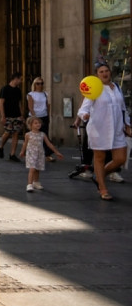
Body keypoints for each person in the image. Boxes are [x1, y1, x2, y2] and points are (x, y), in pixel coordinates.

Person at [77, 62, 130, 201]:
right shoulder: (95, 89)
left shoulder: (117, 87)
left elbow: (123, 109)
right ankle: (102, 188)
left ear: (110, 72)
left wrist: (127, 124)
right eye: (101, 72)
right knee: (99, 158)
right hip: (99, 129)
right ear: (97, 75)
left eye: (106, 70)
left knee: (120, 159)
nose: (104, 73)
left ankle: (99, 176)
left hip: (117, 128)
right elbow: (83, 109)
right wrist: (84, 115)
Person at [22, 116, 64, 193]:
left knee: (37, 168)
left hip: (40, 154)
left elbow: (49, 144)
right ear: (30, 125)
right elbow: (25, 144)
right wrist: (22, 152)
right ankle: (29, 184)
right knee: (32, 168)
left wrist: (56, 152)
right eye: (35, 123)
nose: (38, 124)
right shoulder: (28, 135)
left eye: (39, 123)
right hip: (31, 154)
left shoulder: (42, 134)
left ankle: (36, 182)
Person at [0, 72, 25, 162]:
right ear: (15, 79)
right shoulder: (4, 89)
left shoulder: (18, 90)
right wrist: (3, 116)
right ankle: (1, 146)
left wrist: (21, 115)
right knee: (7, 133)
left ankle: (12, 154)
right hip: (8, 115)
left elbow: (19, 103)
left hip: (17, 115)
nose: (21, 81)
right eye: (20, 79)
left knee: (16, 133)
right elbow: (1, 103)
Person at [27, 77, 54, 160]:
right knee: (35, 136)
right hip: (35, 116)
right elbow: (30, 107)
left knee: (45, 135)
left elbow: (48, 105)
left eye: (41, 83)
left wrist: (48, 115)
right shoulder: (31, 94)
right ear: (34, 85)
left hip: (44, 116)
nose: (40, 85)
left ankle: (47, 154)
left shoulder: (45, 94)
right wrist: (34, 118)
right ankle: (33, 153)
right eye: (38, 83)